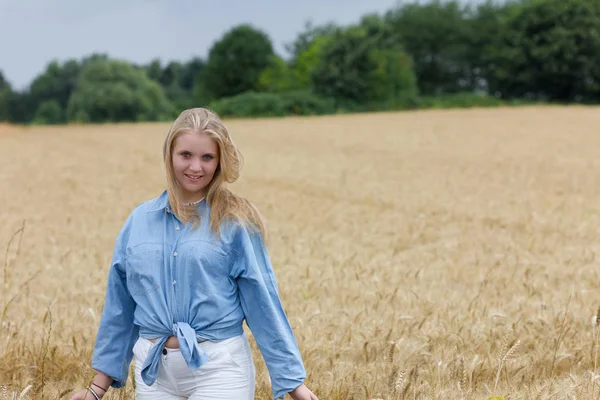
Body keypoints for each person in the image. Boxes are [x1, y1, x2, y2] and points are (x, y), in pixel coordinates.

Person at [71, 108, 318, 400]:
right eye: (186, 155)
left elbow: (262, 301)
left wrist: (292, 382)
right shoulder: (138, 221)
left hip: (219, 368)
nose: (196, 167)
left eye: (207, 157)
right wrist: (98, 387)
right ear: (170, 155)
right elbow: (121, 306)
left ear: (219, 161)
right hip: (155, 374)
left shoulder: (235, 221)